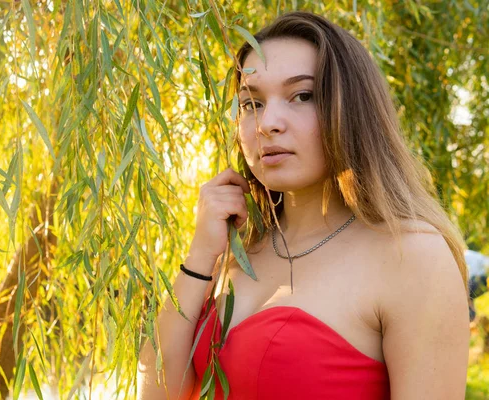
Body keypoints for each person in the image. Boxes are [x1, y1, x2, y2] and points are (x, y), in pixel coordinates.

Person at [137, 11, 470, 400]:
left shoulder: (411, 254)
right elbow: (156, 392)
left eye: (302, 96)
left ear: (353, 111)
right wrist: (199, 256)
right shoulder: (240, 251)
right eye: (251, 103)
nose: (267, 123)